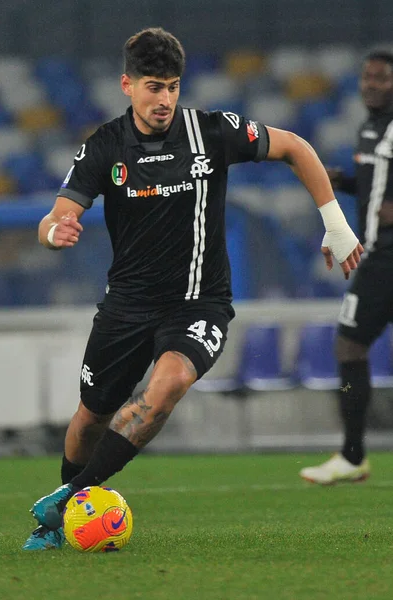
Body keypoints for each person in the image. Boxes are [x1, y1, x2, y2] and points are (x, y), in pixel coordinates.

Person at [23, 27, 362, 550]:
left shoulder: (211, 131)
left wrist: (335, 224)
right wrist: (54, 232)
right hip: (127, 306)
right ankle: (66, 496)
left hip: (199, 304)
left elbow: (294, 146)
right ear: (127, 86)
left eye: (172, 87)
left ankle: (66, 505)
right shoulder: (105, 145)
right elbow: (58, 215)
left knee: (165, 391)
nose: (164, 100)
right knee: (91, 416)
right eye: (153, 87)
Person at [299, 49, 393, 485]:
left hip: (388, 252)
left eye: (382, 78)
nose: (371, 84)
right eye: (367, 77)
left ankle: (353, 456)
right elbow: (375, 188)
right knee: (350, 346)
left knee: (349, 346)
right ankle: (352, 454)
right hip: (380, 252)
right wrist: (344, 183)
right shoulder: (369, 128)